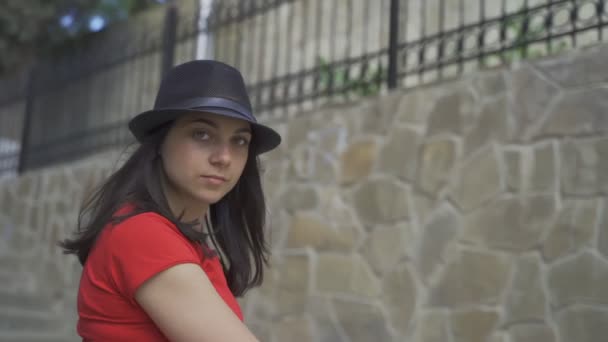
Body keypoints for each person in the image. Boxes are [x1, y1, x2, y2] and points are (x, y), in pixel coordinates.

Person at [59, 60, 281, 342]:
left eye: (239, 141)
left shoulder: (186, 241)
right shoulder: (144, 235)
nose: (223, 157)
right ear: (160, 141)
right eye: (202, 134)